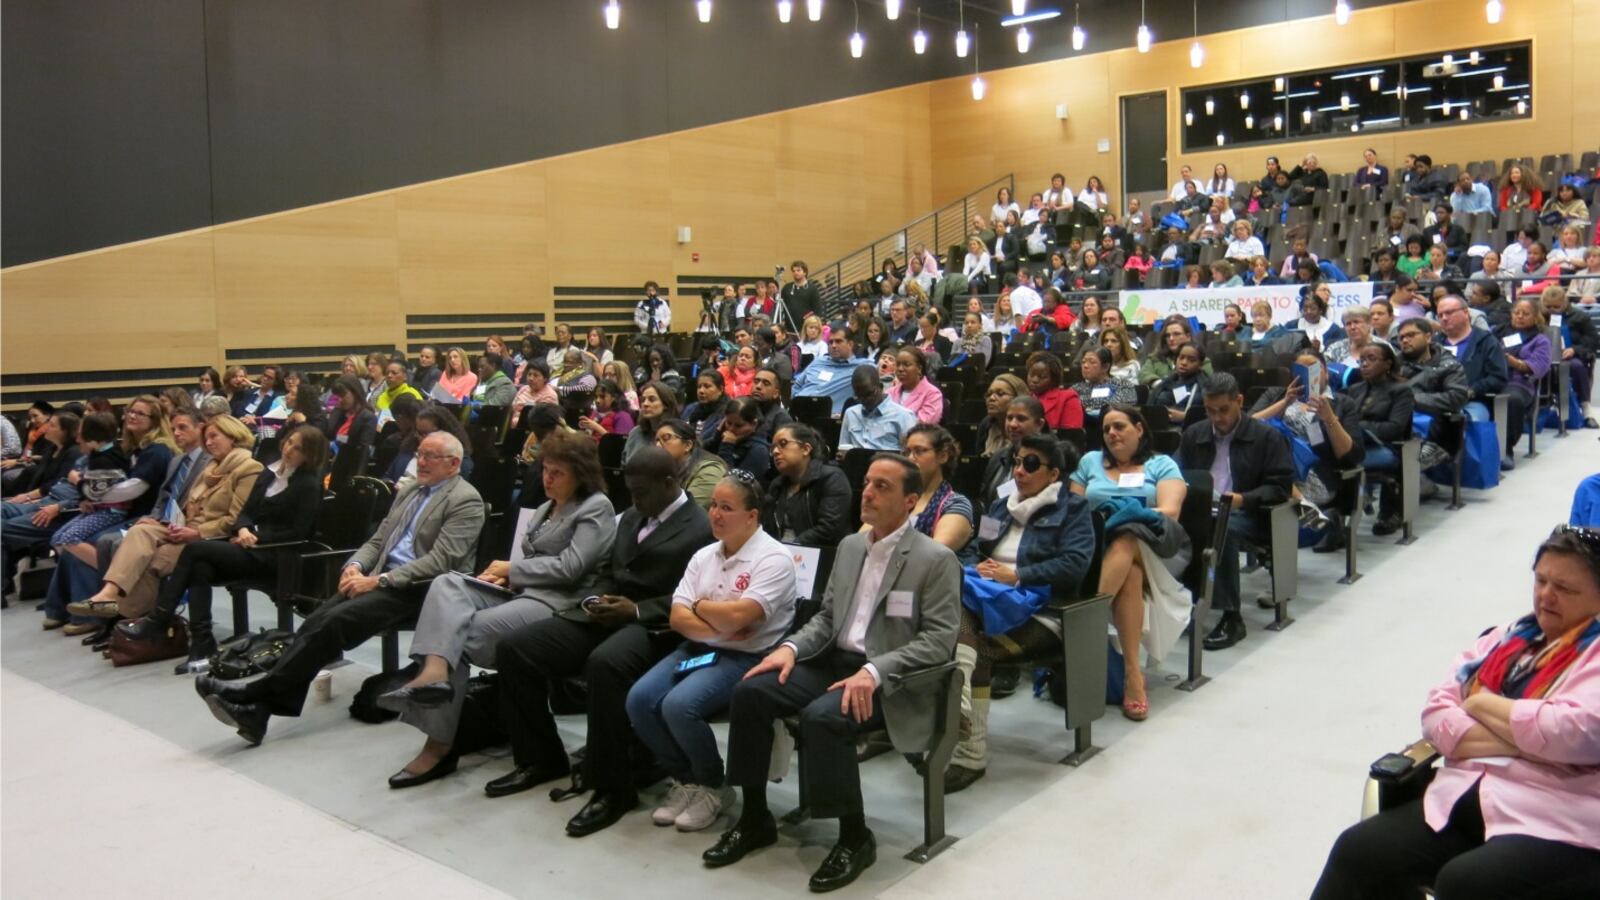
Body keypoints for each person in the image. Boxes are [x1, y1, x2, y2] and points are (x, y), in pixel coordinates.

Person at [706, 454, 959, 890]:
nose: (868, 492)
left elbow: (939, 640)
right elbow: (826, 618)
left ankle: (855, 836)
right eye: (867, 483)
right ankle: (754, 817)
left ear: (910, 501)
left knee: (824, 717)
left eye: (883, 486)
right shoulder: (851, 546)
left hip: (892, 680)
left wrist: (875, 671)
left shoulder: (934, 559)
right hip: (834, 663)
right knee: (750, 692)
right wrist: (789, 648)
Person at [1310, 525, 1600, 900]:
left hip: (1555, 816)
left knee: (1466, 884)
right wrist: (1528, 740)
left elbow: (1574, 732)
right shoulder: (1506, 639)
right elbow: (1436, 715)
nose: (1546, 596)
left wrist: (1480, 704)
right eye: (1541, 580)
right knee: (1359, 851)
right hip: (1464, 794)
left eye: (1564, 588)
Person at [196, 432, 483, 746]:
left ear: (454, 463)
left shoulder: (466, 500)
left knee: (334, 624)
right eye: (420, 454)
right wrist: (355, 566)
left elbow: (441, 561)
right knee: (315, 622)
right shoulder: (411, 490)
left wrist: (378, 581)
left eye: (431, 456)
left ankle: (255, 695)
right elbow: (378, 539)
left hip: (420, 588)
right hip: (377, 577)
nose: (421, 462)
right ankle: (258, 712)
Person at [486, 448, 713, 833]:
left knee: (605, 665)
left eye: (641, 492)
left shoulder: (701, 528)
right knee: (516, 647)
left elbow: (698, 596)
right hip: (607, 612)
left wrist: (636, 610)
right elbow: (606, 569)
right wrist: (598, 599)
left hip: (656, 626)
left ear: (669, 484)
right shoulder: (634, 515)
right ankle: (541, 757)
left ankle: (613, 788)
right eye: (631, 491)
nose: (634, 500)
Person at [377, 430, 614, 788]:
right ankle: (436, 674)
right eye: (546, 469)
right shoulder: (548, 506)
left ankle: (438, 745)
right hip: (523, 591)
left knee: (457, 632)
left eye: (558, 473)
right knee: (447, 584)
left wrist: (512, 570)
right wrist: (504, 577)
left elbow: (571, 567)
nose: (547, 479)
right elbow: (533, 558)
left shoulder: (595, 506)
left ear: (581, 474)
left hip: (560, 603)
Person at [623, 470, 798, 835]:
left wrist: (700, 608)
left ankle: (713, 784)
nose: (715, 514)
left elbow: (741, 618)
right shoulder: (704, 554)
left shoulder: (773, 559)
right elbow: (677, 616)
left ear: (752, 516)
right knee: (639, 699)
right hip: (701, 647)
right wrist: (719, 622)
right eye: (713, 505)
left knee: (678, 706)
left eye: (727, 508)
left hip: (749, 655)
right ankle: (686, 779)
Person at [116, 425, 327, 671]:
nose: (288, 449)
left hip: (276, 555)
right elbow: (245, 514)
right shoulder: (268, 475)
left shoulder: (309, 485)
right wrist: (244, 529)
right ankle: (201, 644)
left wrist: (257, 537)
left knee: (195, 551)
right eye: (289, 442)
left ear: (310, 455)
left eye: (297, 448)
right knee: (200, 568)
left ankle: (159, 619)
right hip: (248, 547)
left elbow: (299, 532)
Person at [952, 434, 1094, 790]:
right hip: (986, 600)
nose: (1019, 470)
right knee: (949, 610)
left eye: (1030, 464)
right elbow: (974, 547)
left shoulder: (1073, 510)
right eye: (1016, 461)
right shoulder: (1001, 506)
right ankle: (959, 711)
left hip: (1045, 609)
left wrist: (1019, 575)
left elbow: (1075, 565)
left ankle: (970, 752)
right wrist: (979, 566)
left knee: (974, 648)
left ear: (1053, 473)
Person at [68, 415, 262, 621]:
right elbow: (186, 508)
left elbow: (236, 519)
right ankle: (109, 596)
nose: (209, 442)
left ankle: (131, 617)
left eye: (214, 436)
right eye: (207, 438)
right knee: (141, 529)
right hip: (183, 526)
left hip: (210, 538)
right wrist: (163, 522)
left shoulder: (248, 468)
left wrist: (196, 533)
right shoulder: (210, 468)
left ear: (233, 436)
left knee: (154, 559)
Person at [1070, 406, 1190, 721]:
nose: (1111, 433)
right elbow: (1073, 510)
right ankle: (1133, 676)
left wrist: (1123, 513)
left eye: (1120, 426)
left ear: (1139, 429)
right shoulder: (1089, 462)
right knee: (1130, 575)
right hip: (1101, 548)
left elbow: (1169, 512)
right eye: (1106, 428)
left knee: (1128, 535)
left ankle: (1088, 617)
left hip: (1157, 547)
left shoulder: (1161, 464)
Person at [1177, 374, 1294, 651]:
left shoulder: (1267, 436)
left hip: (1252, 514)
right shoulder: (1195, 434)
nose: (1217, 418)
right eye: (1210, 410)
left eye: (1223, 410)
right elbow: (1178, 473)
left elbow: (1280, 488)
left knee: (1221, 529)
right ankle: (1179, 603)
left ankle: (1232, 616)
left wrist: (1243, 499)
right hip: (1206, 508)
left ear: (1239, 401)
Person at [1251, 348, 1364, 553]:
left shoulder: (1341, 403)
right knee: (1272, 439)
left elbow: (1350, 456)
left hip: (1315, 475)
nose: (1308, 373)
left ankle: (1303, 504)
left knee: (1277, 446)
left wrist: (1329, 418)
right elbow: (1247, 427)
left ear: (1326, 373)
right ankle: (1303, 506)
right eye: (1300, 369)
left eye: (1314, 367)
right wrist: (1285, 403)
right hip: (1273, 470)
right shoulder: (1277, 394)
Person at [1348, 341, 1415, 535]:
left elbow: (1394, 428)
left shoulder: (1401, 391)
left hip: (1387, 447)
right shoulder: (1355, 389)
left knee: (1343, 461)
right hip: (1357, 444)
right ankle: (1339, 517)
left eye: (1371, 359)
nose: (1364, 364)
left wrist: (1359, 427)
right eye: (1361, 360)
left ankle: (1367, 505)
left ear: (1387, 364)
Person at [762, 423, 851, 547]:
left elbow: (828, 528)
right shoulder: (777, 485)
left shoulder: (831, 478)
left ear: (805, 449)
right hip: (781, 552)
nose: (775, 452)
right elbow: (768, 528)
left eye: (783, 444)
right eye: (773, 448)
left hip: (819, 554)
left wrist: (792, 547)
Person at [1497, 298, 1553, 457]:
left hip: (1520, 382)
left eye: (1525, 314)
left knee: (1511, 399)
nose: (1520, 316)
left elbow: (1539, 369)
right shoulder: (1497, 331)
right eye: (1516, 313)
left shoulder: (1540, 340)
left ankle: (1506, 449)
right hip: (1494, 378)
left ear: (1535, 317)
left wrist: (1514, 362)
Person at [1538, 286, 1597, 427]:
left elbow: (1593, 341)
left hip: (1571, 356)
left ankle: (1586, 408)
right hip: (1543, 356)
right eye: (1548, 306)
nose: (1552, 310)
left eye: (1556, 306)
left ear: (1564, 303)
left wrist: (1574, 349)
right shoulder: (1537, 316)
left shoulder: (1580, 317)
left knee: (1577, 367)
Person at [838, 365, 918, 453]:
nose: (864, 400)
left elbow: (910, 454)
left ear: (880, 387)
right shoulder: (851, 413)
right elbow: (843, 447)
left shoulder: (903, 416)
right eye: (858, 396)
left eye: (868, 394)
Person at [655, 417, 726, 509]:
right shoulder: (665, 469)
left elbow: (687, 511)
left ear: (688, 445)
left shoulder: (710, 470)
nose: (657, 445)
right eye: (656, 440)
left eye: (666, 438)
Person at [711, 397, 771, 483]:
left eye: (738, 426)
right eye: (729, 423)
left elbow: (736, 484)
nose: (731, 429)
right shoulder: (723, 436)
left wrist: (727, 447)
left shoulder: (759, 450)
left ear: (754, 424)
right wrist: (717, 437)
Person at [1071, 347, 1138, 419]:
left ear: (1105, 367)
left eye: (1092, 362)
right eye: (1083, 362)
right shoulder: (1076, 389)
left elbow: (1123, 412)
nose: (1085, 366)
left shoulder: (1123, 386)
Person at [1025, 351, 1085, 430]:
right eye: (1032, 375)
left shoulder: (1068, 398)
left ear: (1054, 380)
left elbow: (1071, 436)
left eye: (1042, 377)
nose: (1034, 380)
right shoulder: (1025, 398)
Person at [622, 381, 679, 463]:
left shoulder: (677, 435)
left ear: (666, 404)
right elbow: (624, 464)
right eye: (643, 400)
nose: (645, 404)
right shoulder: (635, 433)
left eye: (652, 400)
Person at [887, 347, 943, 425]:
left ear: (919, 368)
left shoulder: (933, 394)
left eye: (906, 365)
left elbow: (924, 425)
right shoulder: (889, 392)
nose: (900, 369)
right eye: (898, 364)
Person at [978, 374, 1028, 456]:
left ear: (1018, 398)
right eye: (989, 394)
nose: (991, 398)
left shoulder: (1028, 425)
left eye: (1000, 394)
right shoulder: (986, 424)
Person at [779, 261, 821, 327]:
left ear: (805, 272)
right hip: (789, 326)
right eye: (793, 271)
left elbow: (817, 309)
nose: (795, 272)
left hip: (806, 326)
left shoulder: (812, 288)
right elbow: (782, 306)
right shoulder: (787, 288)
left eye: (798, 270)